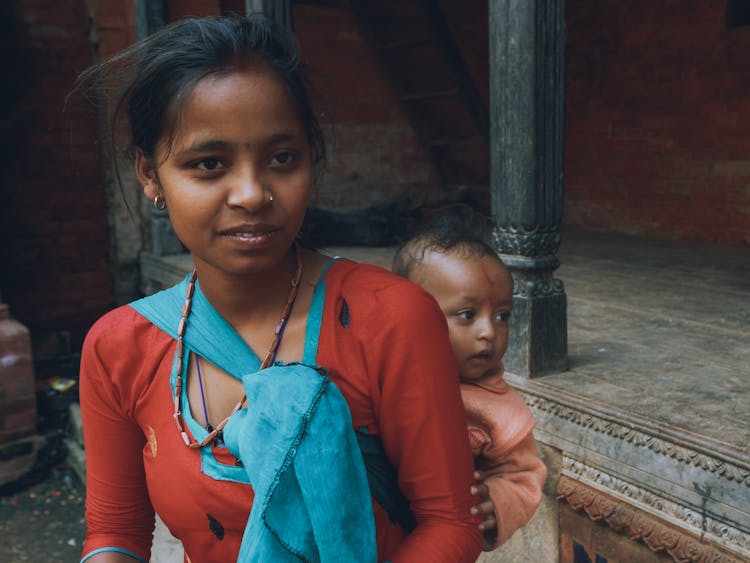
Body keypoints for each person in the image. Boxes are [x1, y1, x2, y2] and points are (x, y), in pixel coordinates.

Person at [75, 15, 482, 563]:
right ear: (150, 176)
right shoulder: (118, 347)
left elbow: (450, 524)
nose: (251, 193)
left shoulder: (390, 317)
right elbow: (116, 531)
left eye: (281, 158)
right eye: (209, 164)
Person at [392, 210, 548, 550]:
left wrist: (497, 502)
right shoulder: (384, 368)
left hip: (430, 538)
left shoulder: (497, 409)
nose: (489, 332)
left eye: (502, 315)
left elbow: (523, 475)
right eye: (467, 315)